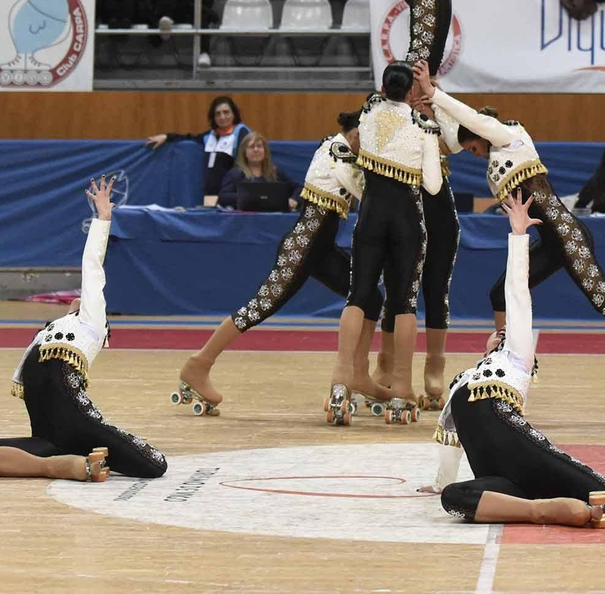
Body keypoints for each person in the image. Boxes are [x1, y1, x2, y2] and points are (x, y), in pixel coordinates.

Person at [419, 66, 605, 420]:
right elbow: (453, 139)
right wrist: (433, 106)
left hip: (568, 236)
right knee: (498, 293)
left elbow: (471, 121)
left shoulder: (509, 136)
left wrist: (436, 93)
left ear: (482, 133)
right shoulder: (494, 152)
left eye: (474, 145)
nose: (473, 153)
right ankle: (508, 364)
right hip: (553, 242)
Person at [422, 192, 605, 528]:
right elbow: (451, 439)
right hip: (500, 479)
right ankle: (539, 508)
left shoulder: (516, 357)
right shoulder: (464, 379)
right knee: (453, 499)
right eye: (498, 334)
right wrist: (441, 483)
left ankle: (546, 501)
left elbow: (516, 294)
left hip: (511, 434)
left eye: (506, 334)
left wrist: (518, 237)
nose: (501, 334)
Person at [174, 112, 386, 413]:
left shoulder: (337, 147)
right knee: (258, 307)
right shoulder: (337, 151)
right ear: (354, 134)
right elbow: (362, 190)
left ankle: (359, 374)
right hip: (300, 249)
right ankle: (198, 364)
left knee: (371, 297)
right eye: (364, 139)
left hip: (320, 250)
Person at [0, 178, 167, 481]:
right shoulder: (60, 325)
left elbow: (92, 266)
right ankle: (57, 463)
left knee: (156, 464)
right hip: (51, 431)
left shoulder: (92, 321)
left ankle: (70, 458)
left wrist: (103, 219)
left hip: (66, 401)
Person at [326, 63, 443, 426]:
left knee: (357, 296)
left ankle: (341, 383)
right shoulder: (423, 128)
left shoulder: (367, 114)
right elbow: (435, 187)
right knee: (404, 301)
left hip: (370, 216)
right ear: (411, 92)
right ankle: (403, 392)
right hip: (406, 220)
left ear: (382, 86)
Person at [144, 96, 252, 199]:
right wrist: (167, 137)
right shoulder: (210, 136)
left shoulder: (241, 132)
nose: (222, 117)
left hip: (232, 193)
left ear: (234, 114)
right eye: (217, 114)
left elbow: (244, 165)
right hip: (210, 193)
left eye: (226, 112)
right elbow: (188, 137)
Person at [218, 132, 297, 210]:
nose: (256, 150)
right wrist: (247, 196)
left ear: (265, 151)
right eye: (251, 147)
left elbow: (299, 189)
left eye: (259, 146)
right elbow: (223, 197)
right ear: (244, 152)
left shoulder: (275, 172)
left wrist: (294, 199)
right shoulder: (235, 174)